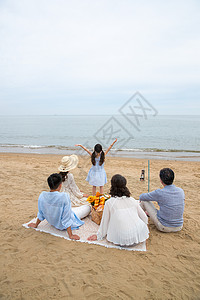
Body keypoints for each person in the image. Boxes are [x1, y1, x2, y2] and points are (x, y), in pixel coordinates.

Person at [88, 174, 149, 246]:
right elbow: (144, 217)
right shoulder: (132, 200)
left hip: (120, 239)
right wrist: (142, 230)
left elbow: (105, 221)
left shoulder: (109, 203)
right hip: (138, 238)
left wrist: (99, 235)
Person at [28, 173, 91, 240]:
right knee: (88, 207)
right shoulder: (64, 196)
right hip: (62, 225)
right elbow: (66, 217)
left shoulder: (42, 195)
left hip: (52, 222)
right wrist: (71, 235)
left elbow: (41, 213)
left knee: (73, 209)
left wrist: (36, 225)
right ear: (60, 185)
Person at [139, 168, 185, 232]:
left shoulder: (160, 192)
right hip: (179, 226)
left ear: (161, 180)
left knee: (144, 201)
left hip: (164, 227)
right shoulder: (181, 191)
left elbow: (142, 197)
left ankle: (135, 217)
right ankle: (145, 214)